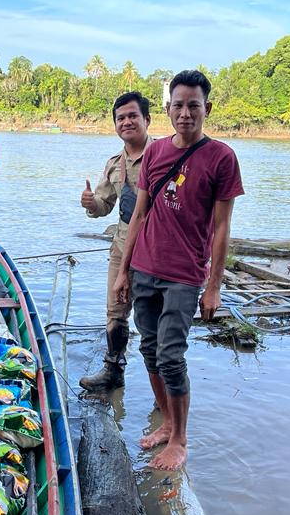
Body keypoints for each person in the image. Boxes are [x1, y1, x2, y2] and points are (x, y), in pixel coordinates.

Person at [113, 70, 244, 470]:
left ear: (207, 109)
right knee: (149, 349)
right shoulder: (154, 153)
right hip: (145, 266)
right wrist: (123, 271)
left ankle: (180, 440)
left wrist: (213, 286)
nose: (185, 113)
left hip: (185, 274)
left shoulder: (221, 158)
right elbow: (139, 214)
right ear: (168, 108)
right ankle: (167, 423)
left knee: (171, 355)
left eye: (194, 106)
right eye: (179, 105)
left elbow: (221, 228)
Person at [78, 91, 153, 391]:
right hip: (121, 247)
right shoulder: (114, 164)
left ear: (147, 120)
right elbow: (104, 205)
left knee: (153, 317)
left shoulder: (164, 155)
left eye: (133, 116)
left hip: (155, 250)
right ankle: (114, 370)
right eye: (120, 118)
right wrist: (90, 203)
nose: (127, 122)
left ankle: (162, 381)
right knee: (115, 311)